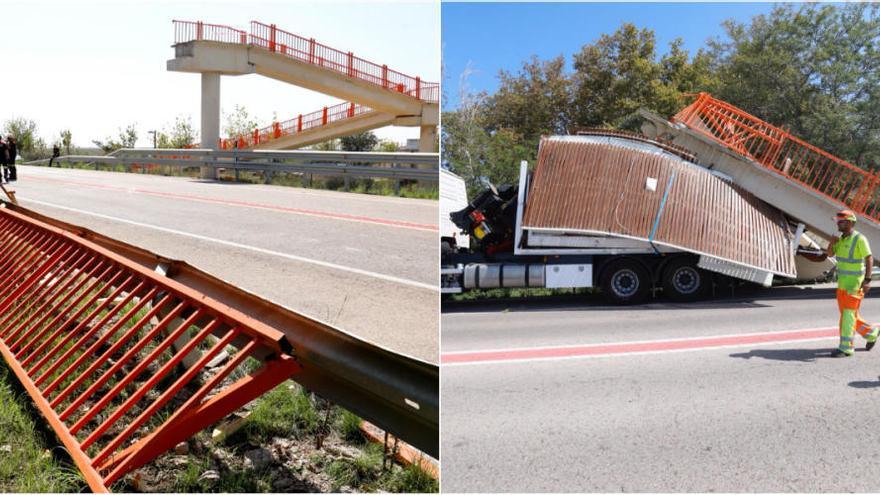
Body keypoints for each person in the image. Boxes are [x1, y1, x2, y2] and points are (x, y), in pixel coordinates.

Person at [802, 209, 878, 357]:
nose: (837, 224)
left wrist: (868, 280)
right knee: (848, 315)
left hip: (854, 285)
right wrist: (831, 243)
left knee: (848, 316)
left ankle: (846, 348)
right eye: (837, 221)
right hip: (842, 284)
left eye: (840, 221)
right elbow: (830, 254)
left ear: (850, 222)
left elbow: (869, 258)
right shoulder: (840, 239)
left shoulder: (859, 239)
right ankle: (871, 333)